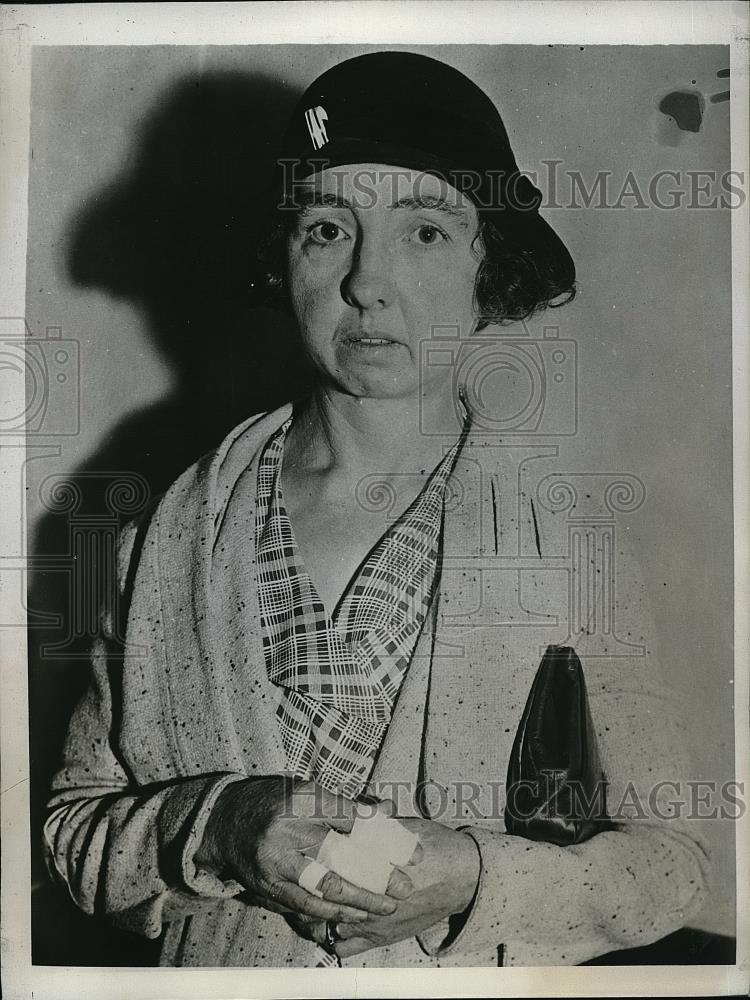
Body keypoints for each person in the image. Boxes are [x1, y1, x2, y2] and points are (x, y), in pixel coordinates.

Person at [44, 51, 710, 968]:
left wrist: (480, 877)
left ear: (491, 267)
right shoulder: (157, 545)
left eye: (426, 232)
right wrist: (223, 823)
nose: (369, 282)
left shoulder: (570, 549)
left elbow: (673, 867)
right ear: (281, 260)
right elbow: (73, 835)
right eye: (327, 228)